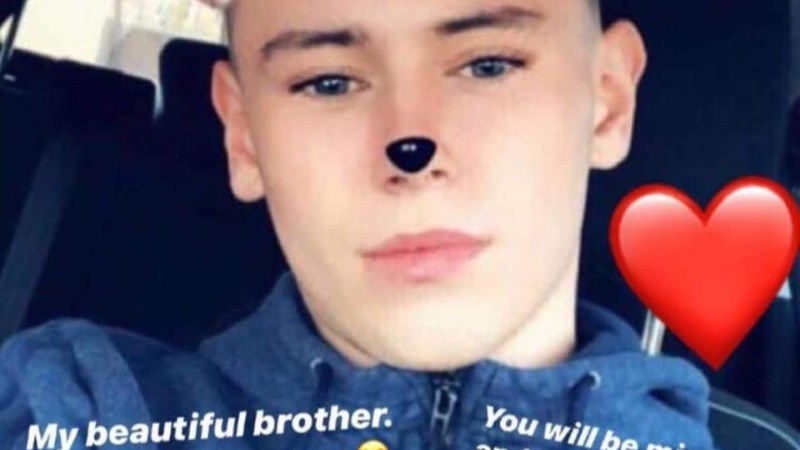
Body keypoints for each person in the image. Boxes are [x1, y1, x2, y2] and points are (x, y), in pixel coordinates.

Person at [0, 0, 719, 449]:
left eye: (488, 65)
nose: (412, 149)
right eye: (329, 81)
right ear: (244, 137)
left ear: (606, 101)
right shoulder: (83, 412)